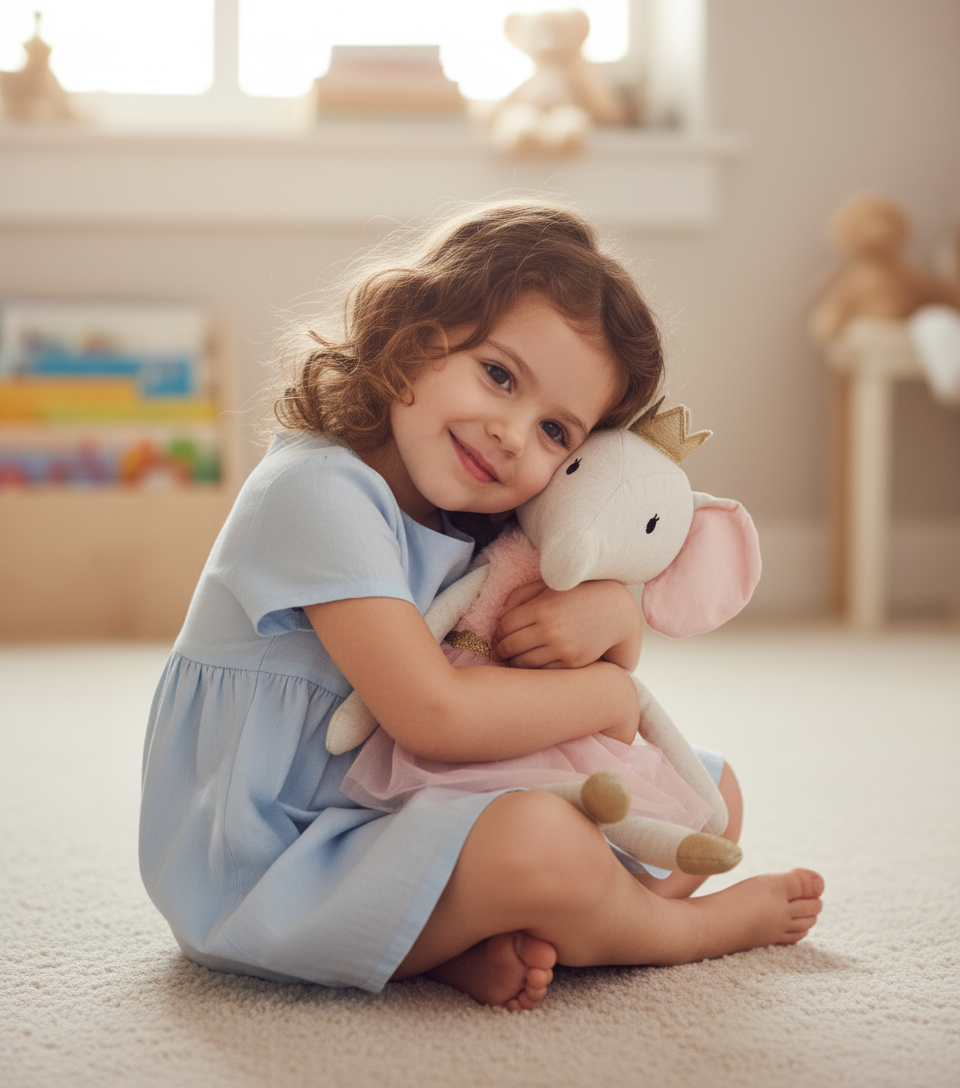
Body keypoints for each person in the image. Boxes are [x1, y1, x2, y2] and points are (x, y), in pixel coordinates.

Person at [140, 201, 823, 1012]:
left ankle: (449, 940)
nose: (510, 434)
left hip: (405, 805)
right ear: (415, 341)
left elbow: (538, 684)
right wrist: (614, 689)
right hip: (275, 856)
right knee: (545, 845)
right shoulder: (315, 491)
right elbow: (437, 713)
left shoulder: (480, 519)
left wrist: (618, 627)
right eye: (499, 376)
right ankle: (673, 932)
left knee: (712, 793)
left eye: (556, 432)